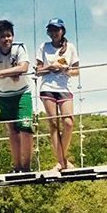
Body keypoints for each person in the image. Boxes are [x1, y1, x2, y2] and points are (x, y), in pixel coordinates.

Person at [0, 20, 33, 172]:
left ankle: (26, 167)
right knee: (12, 130)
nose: (6, 39)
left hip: (23, 92)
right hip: (4, 96)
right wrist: (12, 73)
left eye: (9, 35)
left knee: (26, 128)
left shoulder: (19, 49)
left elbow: (23, 67)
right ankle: (17, 167)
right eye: (3, 37)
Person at [35, 17, 80, 171]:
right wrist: (51, 67)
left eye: (57, 29)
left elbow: (76, 71)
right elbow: (38, 71)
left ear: (62, 31)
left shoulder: (71, 48)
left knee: (68, 123)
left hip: (64, 88)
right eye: (51, 29)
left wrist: (64, 69)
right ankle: (62, 162)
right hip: (47, 87)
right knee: (54, 124)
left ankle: (62, 160)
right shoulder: (44, 47)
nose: (54, 32)